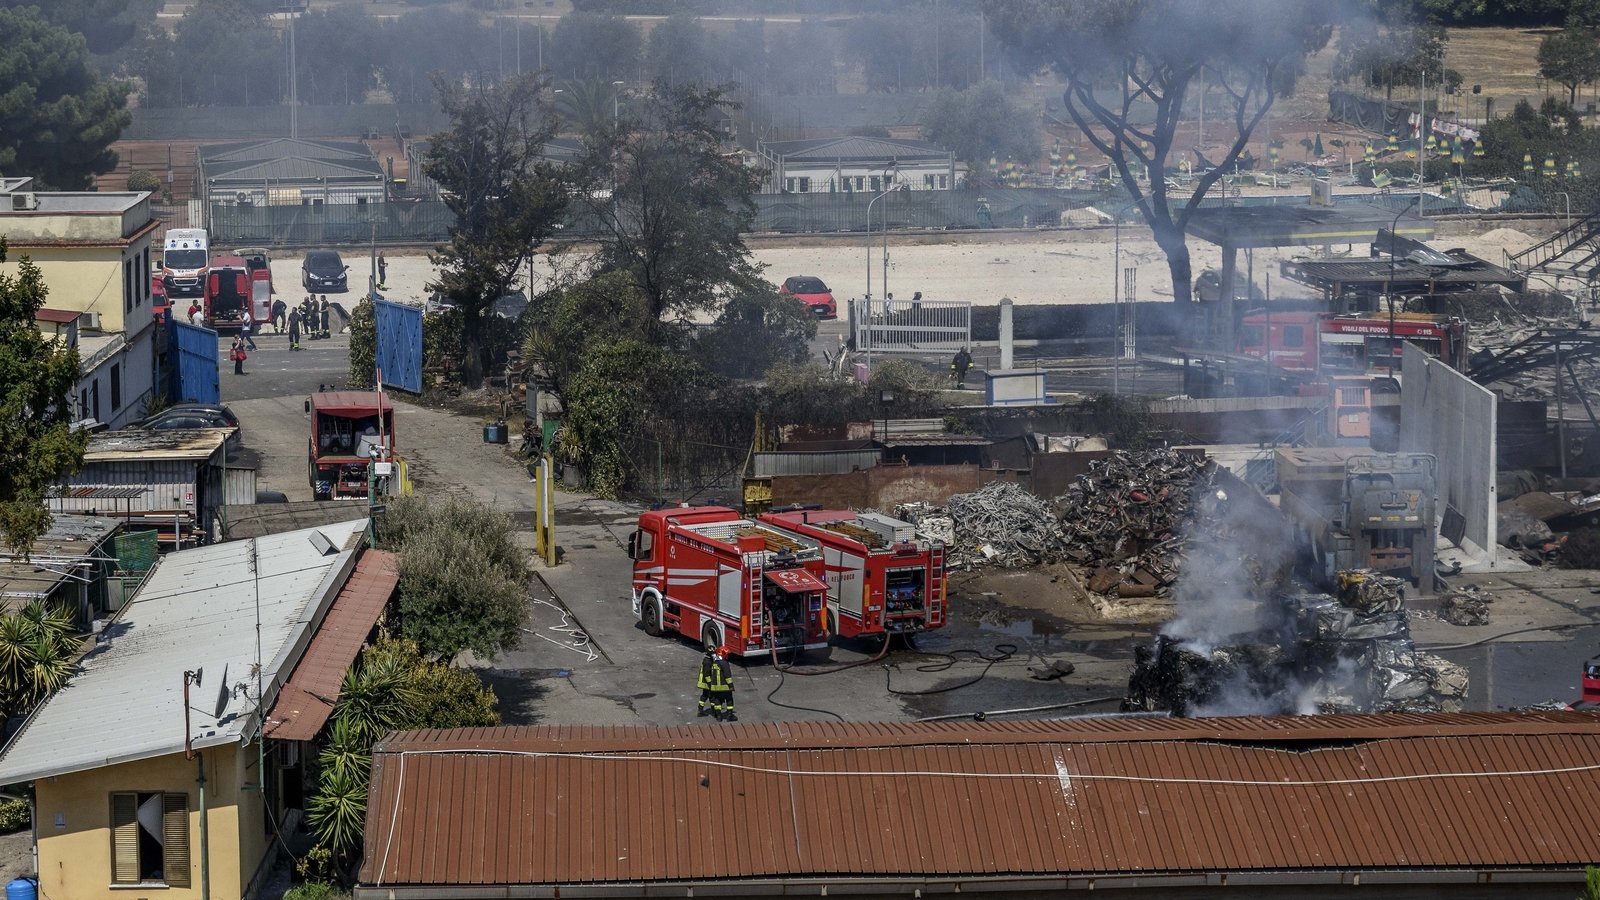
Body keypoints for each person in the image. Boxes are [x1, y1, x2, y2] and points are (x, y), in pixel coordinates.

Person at [707, 646, 735, 721]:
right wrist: (731, 686)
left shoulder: (715, 663)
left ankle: (719, 716)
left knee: (717, 701)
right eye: (726, 654)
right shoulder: (724, 663)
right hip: (724, 686)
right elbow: (727, 675)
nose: (727, 655)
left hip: (715, 687)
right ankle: (730, 715)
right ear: (723, 654)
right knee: (729, 700)